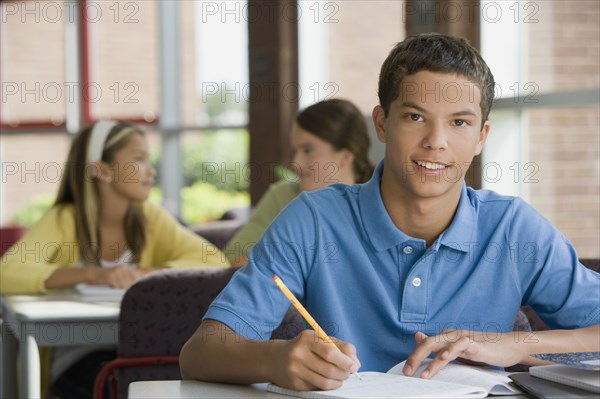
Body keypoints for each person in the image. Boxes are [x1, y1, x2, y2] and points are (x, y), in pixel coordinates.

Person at [179, 34, 599, 391]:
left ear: (481, 137)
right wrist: (273, 360)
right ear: (381, 124)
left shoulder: (514, 229)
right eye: (415, 117)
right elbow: (200, 352)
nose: (436, 141)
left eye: (459, 123)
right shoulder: (313, 220)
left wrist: (514, 345)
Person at [1, 120, 229, 398]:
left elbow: (214, 261)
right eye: (139, 159)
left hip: (133, 356)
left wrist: (147, 275)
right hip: (74, 364)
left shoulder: (149, 217)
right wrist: (95, 274)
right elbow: (8, 272)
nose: (151, 170)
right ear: (103, 170)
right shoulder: (65, 219)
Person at [224, 98, 375, 266]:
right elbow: (234, 262)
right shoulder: (282, 196)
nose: (296, 163)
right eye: (296, 150)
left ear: (346, 155)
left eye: (308, 150)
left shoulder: (381, 201)